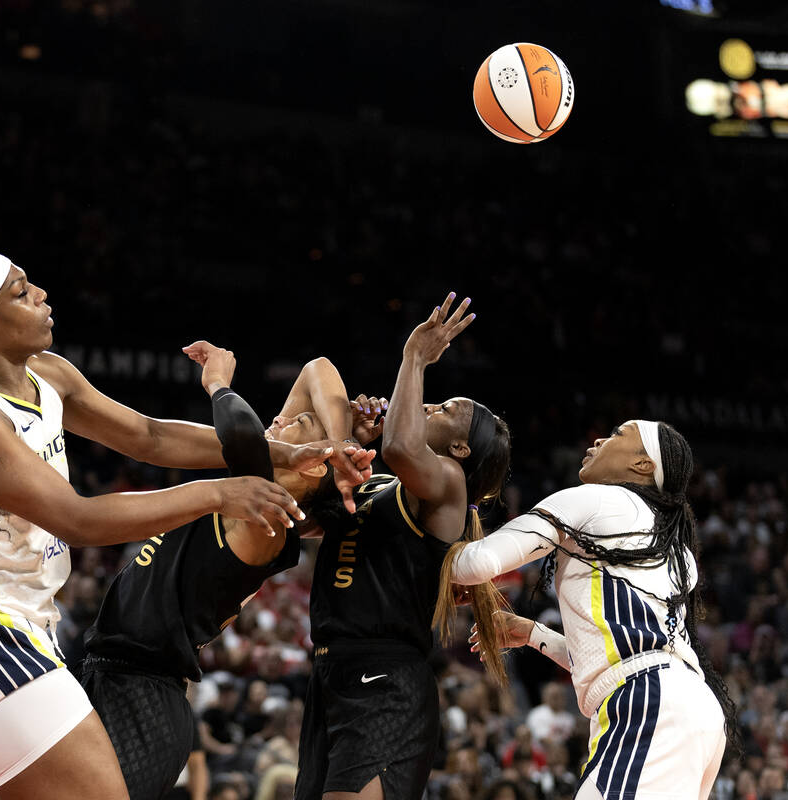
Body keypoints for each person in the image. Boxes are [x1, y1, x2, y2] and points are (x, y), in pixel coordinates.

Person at [0, 250, 337, 800]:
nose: (41, 294)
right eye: (20, 292)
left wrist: (285, 452)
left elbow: (148, 436)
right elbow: (76, 517)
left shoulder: (48, 374)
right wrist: (217, 491)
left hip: (2, 638)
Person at [79, 340, 372, 800]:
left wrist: (217, 382)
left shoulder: (269, 519)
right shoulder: (255, 488)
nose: (279, 419)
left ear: (313, 469)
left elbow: (241, 434)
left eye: (298, 422)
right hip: (106, 676)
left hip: (146, 696)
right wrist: (341, 443)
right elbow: (317, 367)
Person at [295, 295, 512, 800]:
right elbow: (300, 522)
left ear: (460, 448)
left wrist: (414, 357)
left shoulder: (452, 486)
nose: (432, 405)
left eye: (446, 409)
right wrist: (346, 444)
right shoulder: (383, 485)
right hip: (331, 669)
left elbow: (401, 447)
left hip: (386, 677)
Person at [451, 419, 737, 800]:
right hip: (690, 710)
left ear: (643, 465)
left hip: (650, 704)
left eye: (620, 435)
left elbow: (476, 563)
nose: (600, 438)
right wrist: (535, 635)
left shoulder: (596, 500)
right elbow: (624, 656)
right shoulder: (673, 546)